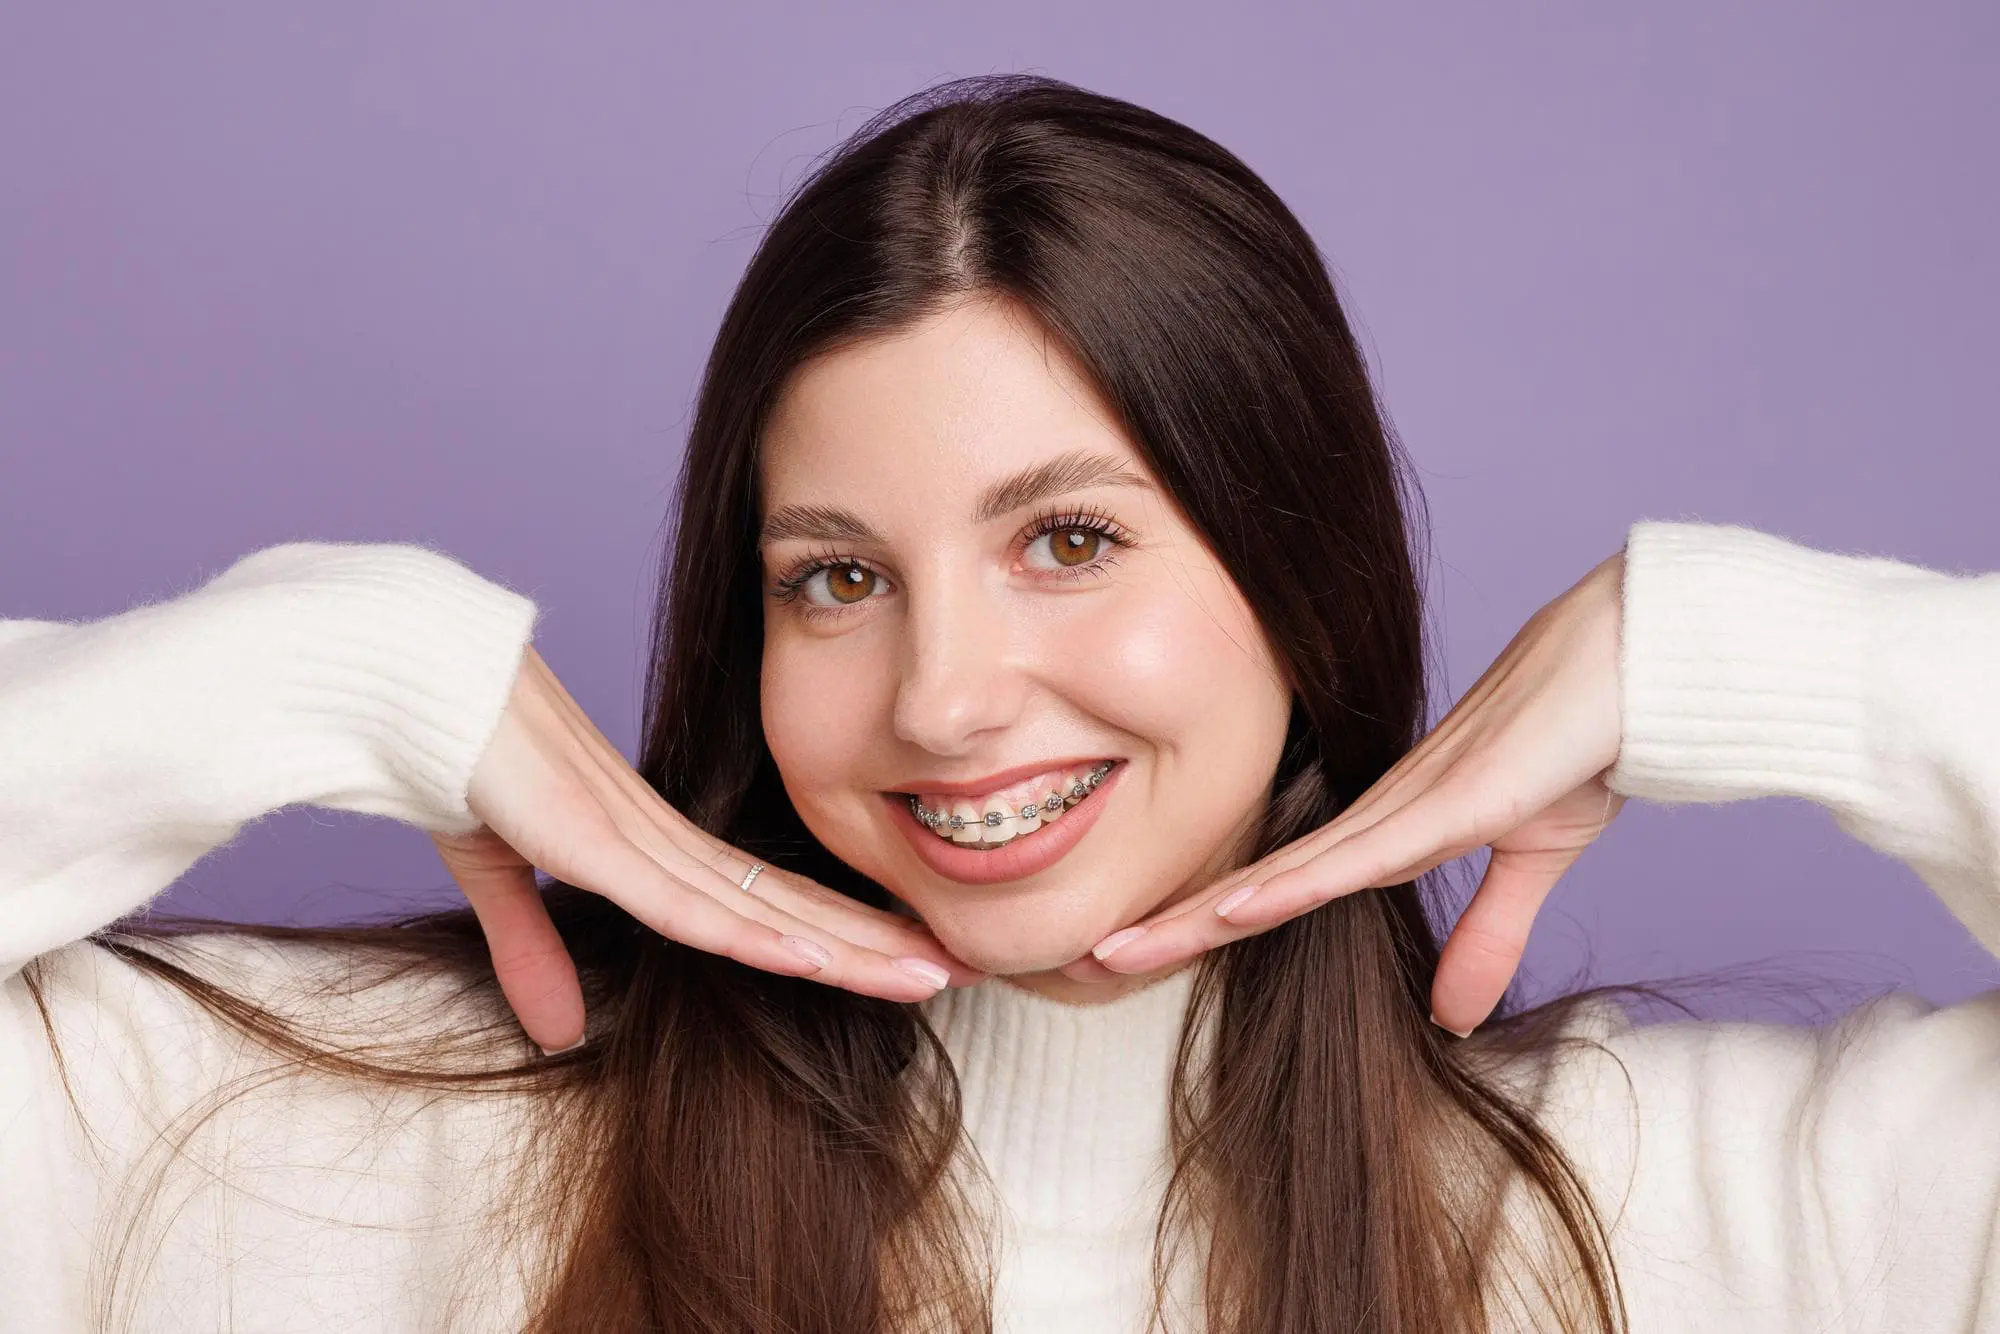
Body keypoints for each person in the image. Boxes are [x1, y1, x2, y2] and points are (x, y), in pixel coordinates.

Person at [3, 74, 1996, 1334]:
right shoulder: (291, 1137)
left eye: (1068, 540)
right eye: (838, 580)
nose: (945, 701)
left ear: (1296, 581)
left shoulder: (1716, 1218)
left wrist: (1762, 657)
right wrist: (310, 666)